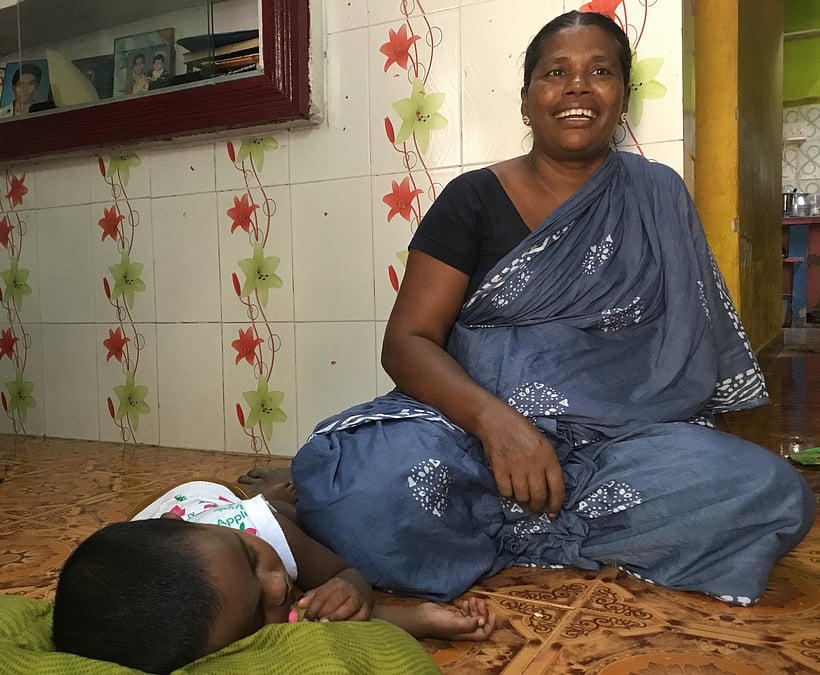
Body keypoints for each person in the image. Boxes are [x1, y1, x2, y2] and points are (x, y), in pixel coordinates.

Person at [282, 10, 815, 607]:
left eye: (600, 72)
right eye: (556, 72)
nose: (577, 87)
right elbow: (407, 342)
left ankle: (491, 527)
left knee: (772, 493)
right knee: (363, 492)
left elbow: (688, 344)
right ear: (526, 101)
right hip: (472, 433)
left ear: (622, 98)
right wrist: (500, 426)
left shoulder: (657, 193)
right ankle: (567, 524)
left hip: (620, 442)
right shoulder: (472, 199)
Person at [52, 479, 494, 674]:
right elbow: (314, 618)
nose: (279, 587)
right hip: (191, 532)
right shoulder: (208, 615)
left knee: (299, 513)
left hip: (205, 499)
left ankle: (264, 492)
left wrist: (350, 585)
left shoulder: (259, 534)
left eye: (250, 563)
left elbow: (345, 571)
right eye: (256, 615)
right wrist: (424, 618)